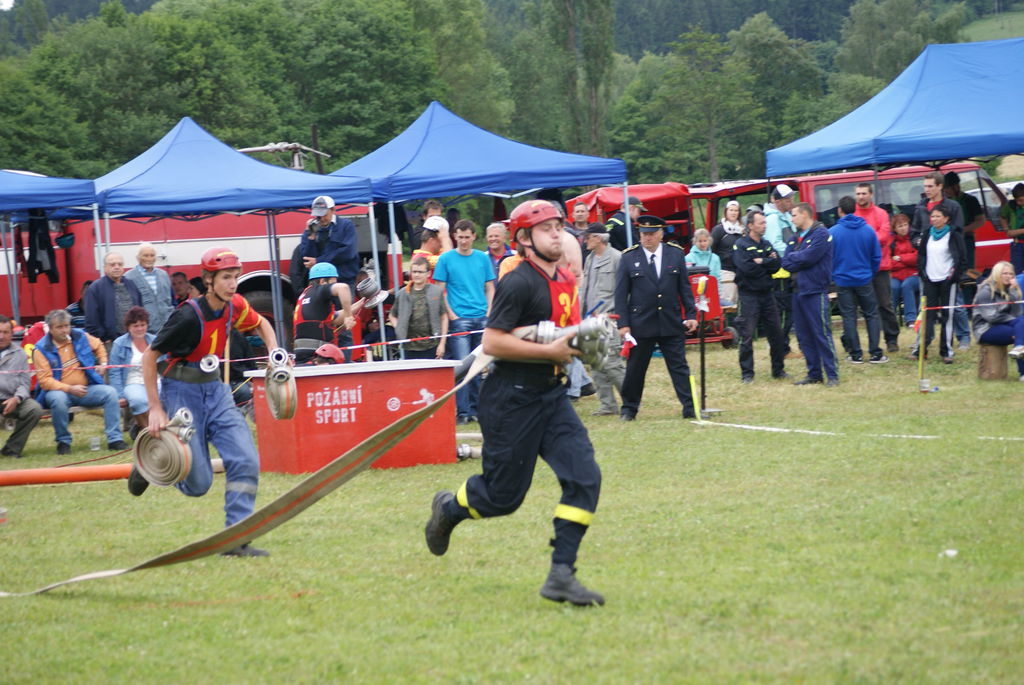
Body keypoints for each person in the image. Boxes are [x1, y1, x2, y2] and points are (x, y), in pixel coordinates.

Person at [424, 199, 604, 607]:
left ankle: (561, 574)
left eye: (559, 226)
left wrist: (586, 339)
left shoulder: (565, 278)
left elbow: (557, 334)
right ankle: (449, 510)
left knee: (585, 477)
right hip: (511, 398)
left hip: (552, 395)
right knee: (502, 498)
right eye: (546, 229)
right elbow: (492, 342)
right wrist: (551, 351)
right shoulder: (517, 282)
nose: (557, 234)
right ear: (524, 239)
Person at [134, 246, 279, 557]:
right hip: (181, 393)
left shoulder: (235, 305)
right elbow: (149, 357)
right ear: (208, 280)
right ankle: (155, 461)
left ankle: (235, 540)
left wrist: (273, 352)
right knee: (199, 484)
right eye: (226, 277)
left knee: (246, 460)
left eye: (235, 276)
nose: (233, 283)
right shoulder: (187, 315)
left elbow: (261, 324)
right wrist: (156, 408)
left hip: (217, 391)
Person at [614, 214, 698, 421]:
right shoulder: (629, 257)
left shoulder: (675, 254)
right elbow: (620, 294)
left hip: (670, 320)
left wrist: (691, 314)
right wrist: (623, 324)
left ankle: (690, 407)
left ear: (661, 234)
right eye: (643, 234)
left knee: (679, 367)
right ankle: (629, 409)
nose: (647, 237)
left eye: (651, 234)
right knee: (635, 369)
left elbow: (684, 288)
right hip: (641, 322)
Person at [33, 309, 127, 455]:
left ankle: (115, 439)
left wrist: (102, 363)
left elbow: (99, 345)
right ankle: (63, 442)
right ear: (50, 329)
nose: (64, 330)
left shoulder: (79, 335)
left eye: (66, 326)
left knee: (111, 393)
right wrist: (70, 389)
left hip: (86, 389)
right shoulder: (41, 349)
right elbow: (45, 381)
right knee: (58, 400)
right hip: (58, 392)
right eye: (59, 327)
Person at [433, 219, 495, 424]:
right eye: (460, 237)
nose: (464, 241)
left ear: (474, 237)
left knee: (478, 367)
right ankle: (463, 412)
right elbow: (440, 289)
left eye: (467, 237)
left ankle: (475, 409)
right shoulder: (446, 259)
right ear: (454, 236)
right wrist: (451, 314)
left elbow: (490, 287)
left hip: (481, 317)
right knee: (462, 367)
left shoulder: (482, 258)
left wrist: (489, 311)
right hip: (459, 318)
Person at [783, 203, 839, 386]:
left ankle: (832, 374)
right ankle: (814, 373)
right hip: (797, 291)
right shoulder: (794, 237)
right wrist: (799, 257)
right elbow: (785, 262)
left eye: (794, 215)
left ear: (805, 215)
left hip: (815, 290)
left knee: (821, 333)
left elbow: (811, 257)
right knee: (804, 336)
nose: (792, 219)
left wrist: (796, 257)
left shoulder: (821, 234)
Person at [732, 210, 787, 383]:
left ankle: (778, 370)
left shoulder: (766, 244)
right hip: (748, 296)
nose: (764, 226)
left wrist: (762, 261)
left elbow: (776, 265)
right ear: (750, 225)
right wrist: (766, 263)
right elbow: (746, 268)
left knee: (776, 333)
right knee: (747, 335)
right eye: (761, 223)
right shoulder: (740, 245)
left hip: (767, 295)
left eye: (765, 222)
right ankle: (747, 374)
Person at [830, 196, 885, 364]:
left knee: (848, 316)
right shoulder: (868, 230)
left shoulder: (832, 232)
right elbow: (876, 256)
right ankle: (875, 352)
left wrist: (834, 274)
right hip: (864, 278)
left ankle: (856, 354)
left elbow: (828, 257)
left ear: (839, 210)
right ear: (855, 209)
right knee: (871, 314)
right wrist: (870, 272)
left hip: (843, 280)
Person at [913, 204, 968, 364]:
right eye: (933, 216)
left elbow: (962, 259)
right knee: (926, 315)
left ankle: (946, 351)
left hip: (947, 281)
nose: (935, 219)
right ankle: (921, 349)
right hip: (930, 280)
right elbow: (921, 256)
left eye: (938, 216)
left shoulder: (954, 235)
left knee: (947, 316)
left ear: (946, 218)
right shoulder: (927, 234)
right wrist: (923, 273)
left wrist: (953, 277)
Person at [580, 223, 625, 416]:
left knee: (613, 364)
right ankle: (607, 405)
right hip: (590, 319)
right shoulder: (589, 259)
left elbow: (625, 291)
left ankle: (631, 400)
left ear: (598, 238)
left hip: (610, 318)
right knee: (596, 364)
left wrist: (620, 317)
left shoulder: (617, 258)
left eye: (588, 237)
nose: (585, 241)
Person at [854, 183, 900, 352]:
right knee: (866, 307)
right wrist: (870, 238)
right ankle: (872, 342)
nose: (861, 197)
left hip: (881, 267)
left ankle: (891, 338)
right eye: (858, 194)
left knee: (885, 304)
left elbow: (884, 236)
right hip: (861, 267)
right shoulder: (854, 215)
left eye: (864, 193)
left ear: (871, 194)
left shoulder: (881, 214)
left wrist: (864, 239)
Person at [291, 261, 355, 364]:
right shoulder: (320, 290)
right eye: (333, 283)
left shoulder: (307, 295)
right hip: (318, 356)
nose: (335, 285)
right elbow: (344, 288)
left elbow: (335, 319)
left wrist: (363, 302)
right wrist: (348, 317)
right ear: (322, 281)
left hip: (303, 355)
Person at [0, 314, 44, 458]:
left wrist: (17, 398)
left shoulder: (20, 354)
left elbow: (25, 383)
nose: (1, 336)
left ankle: (12, 449)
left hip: (12, 399)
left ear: (11, 334)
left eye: (5, 332)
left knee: (34, 409)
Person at [108, 306, 156, 437]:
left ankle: (147, 429)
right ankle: (149, 434)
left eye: (143, 325)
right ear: (128, 327)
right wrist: (120, 395)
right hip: (132, 381)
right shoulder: (119, 344)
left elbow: (164, 365)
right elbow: (114, 371)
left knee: (164, 399)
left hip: (154, 379)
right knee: (137, 401)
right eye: (135, 326)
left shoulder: (155, 341)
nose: (140, 328)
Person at [388, 256, 448, 360]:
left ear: (428, 274)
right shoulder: (403, 293)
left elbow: (444, 318)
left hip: (432, 345)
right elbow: (392, 315)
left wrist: (442, 344)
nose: (416, 275)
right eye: (414, 272)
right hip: (409, 347)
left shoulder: (436, 291)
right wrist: (400, 328)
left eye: (420, 272)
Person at [973, 261, 1024, 379]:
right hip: (985, 328)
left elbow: (1017, 313)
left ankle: (1018, 348)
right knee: (1021, 331)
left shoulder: (1010, 290)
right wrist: (1015, 322)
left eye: (1011, 274)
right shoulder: (985, 290)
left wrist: (1014, 292)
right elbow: (991, 316)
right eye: (1004, 273)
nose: (1008, 276)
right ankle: (1023, 372)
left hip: (1005, 324)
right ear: (996, 274)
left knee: (1022, 324)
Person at [300, 195, 359, 294]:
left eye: (324, 214)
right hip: (320, 282)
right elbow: (307, 258)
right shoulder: (311, 229)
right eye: (318, 216)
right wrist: (311, 237)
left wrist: (318, 261)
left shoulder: (346, 226)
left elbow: (348, 252)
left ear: (333, 210)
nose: (322, 219)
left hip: (344, 279)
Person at [763, 184, 797, 356]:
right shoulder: (772, 220)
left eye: (791, 198)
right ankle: (780, 348)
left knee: (789, 311)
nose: (791, 201)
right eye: (787, 199)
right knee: (783, 313)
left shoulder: (785, 216)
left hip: (787, 270)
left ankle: (782, 346)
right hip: (779, 273)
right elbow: (774, 244)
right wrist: (795, 253)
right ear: (777, 201)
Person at [84, 252, 142, 344]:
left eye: (120, 264)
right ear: (105, 268)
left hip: (133, 339)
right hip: (110, 342)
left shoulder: (131, 284)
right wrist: (104, 338)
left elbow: (140, 310)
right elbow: (91, 319)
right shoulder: (95, 288)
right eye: (112, 264)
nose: (117, 267)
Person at [123, 243, 173, 332]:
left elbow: (170, 301)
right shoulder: (129, 277)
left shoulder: (163, 275)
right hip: (144, 330)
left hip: (167, 327)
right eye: (145, 255)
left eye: (152, 255)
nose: (149, 259)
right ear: (138, 258)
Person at [710, 200, 743, 305]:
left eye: (736, 210)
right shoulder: (719, 230)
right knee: (728, 304)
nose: (733, 213)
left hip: (740, 272)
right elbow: (711, 250)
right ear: (726, 212)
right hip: (725, 272)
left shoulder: (742, 230)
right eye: (731, 210)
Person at [889, 213, 920, 327]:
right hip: (896, 276)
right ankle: (889, 320)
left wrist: (900, 258)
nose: (903, 228)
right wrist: (907, 261)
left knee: (907, 285)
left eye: (905, 225)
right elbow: (889, 262)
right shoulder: (891, 243)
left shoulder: (914, 239)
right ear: (894, 229)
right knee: (893, 287)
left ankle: (911, 319)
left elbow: (917, 258)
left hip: (915, 275)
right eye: (900, 226)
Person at [685, 229, 724, 304]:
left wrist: (718, 295)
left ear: (709, 241)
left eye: (705, 241)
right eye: (700, 241)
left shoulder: (715, 258)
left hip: (712, 293)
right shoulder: (688, 258)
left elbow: (717, 278)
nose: (702, 244)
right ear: (695, 242)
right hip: (694, 295)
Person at [998, 182, 1024, 274]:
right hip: (1017, 244)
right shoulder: (1011, 205)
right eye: (1016, 200)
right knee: (1017, 273)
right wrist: (1006, 228)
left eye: (1020, 200)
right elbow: (1002, 216)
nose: (1018, 202)